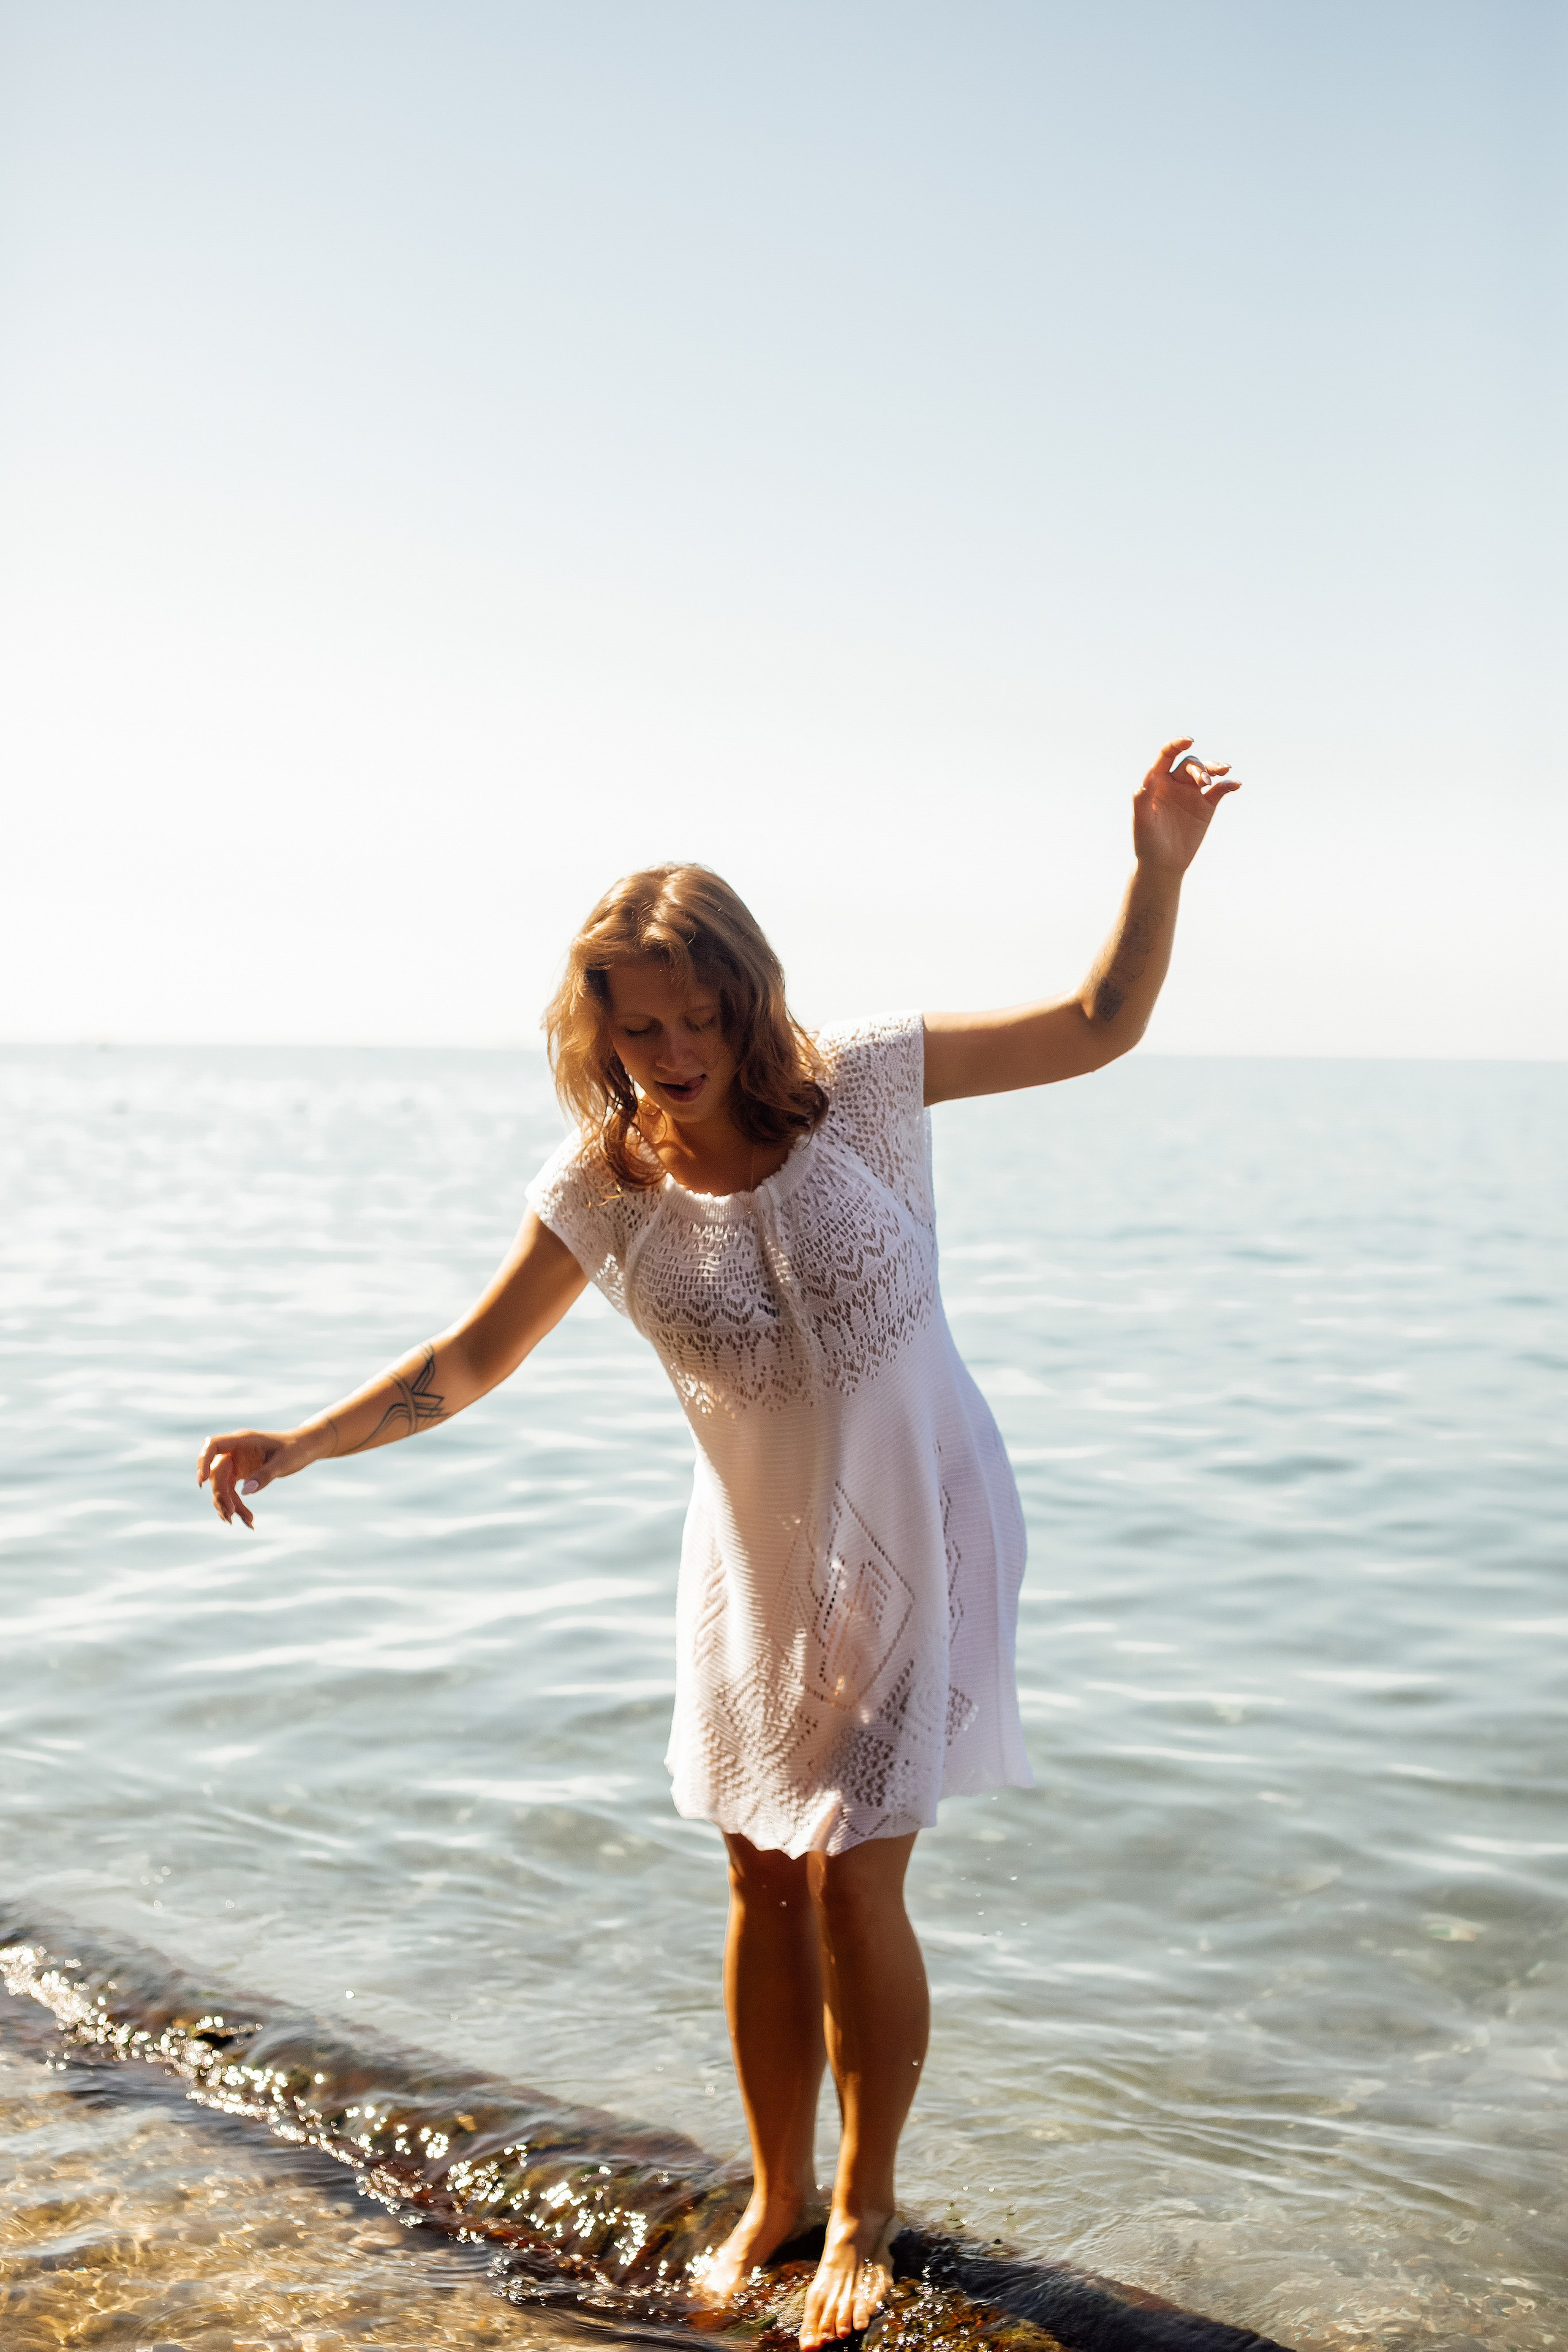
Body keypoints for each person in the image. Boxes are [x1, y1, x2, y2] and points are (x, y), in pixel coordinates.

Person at [199, 737, 1238, 2348]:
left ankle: (869, 2207)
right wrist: (302, 1441)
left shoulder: (869, 1080)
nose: (674, 1051)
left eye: (698, 1017)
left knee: (856, 1878)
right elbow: (459, 1367)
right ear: (596, 1029)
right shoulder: (604, 1183)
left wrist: (1156, 868)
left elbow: (1100, 1027)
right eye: (641, 1025)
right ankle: (776, 2191)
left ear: (749, 1002)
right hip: (752, 1561)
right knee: (760, 1875)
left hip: (922, 1522)